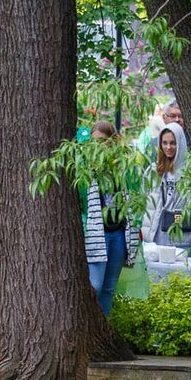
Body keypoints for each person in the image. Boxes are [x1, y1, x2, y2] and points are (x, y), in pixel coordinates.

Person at [82, 121, 135, 315]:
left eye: (102, 142)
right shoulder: (86, 169)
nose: (99, 147)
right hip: (97, 233)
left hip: (118, 233)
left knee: (109, 288)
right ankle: (88, 326)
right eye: (94, 142)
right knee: (94, 285)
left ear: (111, 142)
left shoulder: (121, 168)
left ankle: (103, 327)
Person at [142, 122, 191, 253]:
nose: (168, 147)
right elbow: (143, 202)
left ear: (180, 143)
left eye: (173, 143)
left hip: (181, 237)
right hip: (155, 236)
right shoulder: (153, 171)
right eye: (164, 143)